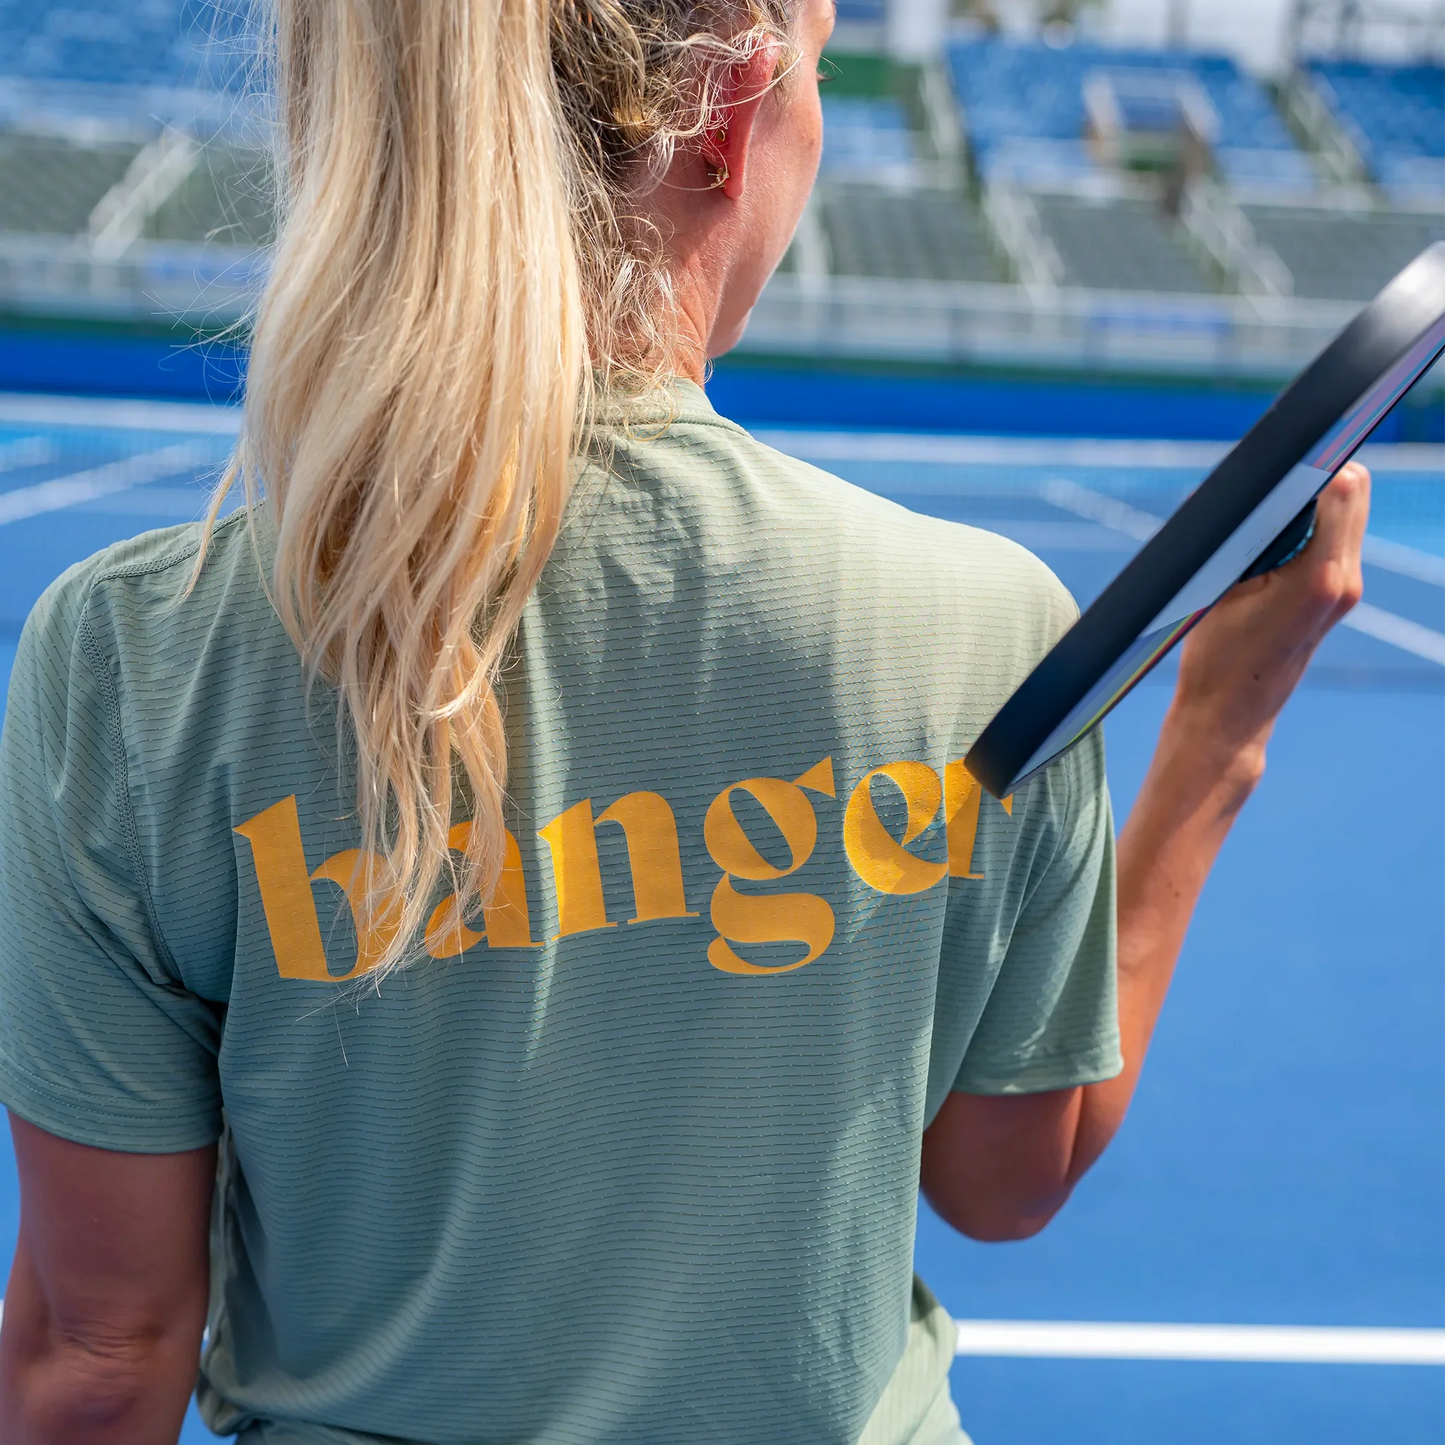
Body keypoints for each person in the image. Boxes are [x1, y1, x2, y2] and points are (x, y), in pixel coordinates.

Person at [0, 0, 1369, 1441]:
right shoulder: (981, 625)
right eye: (824, 72)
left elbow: (99, 1350)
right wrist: (1217, 736)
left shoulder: (128, 661)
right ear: (732, 120)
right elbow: (1004, 1178)